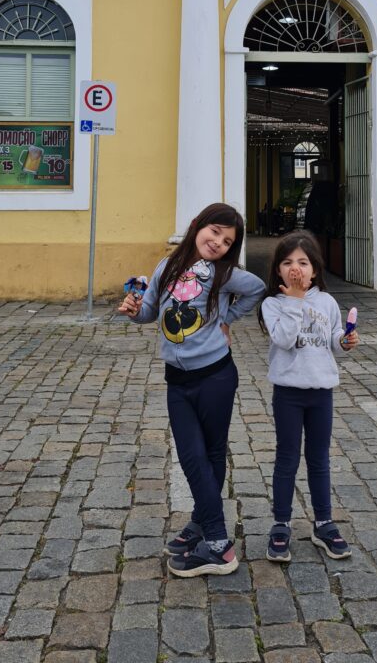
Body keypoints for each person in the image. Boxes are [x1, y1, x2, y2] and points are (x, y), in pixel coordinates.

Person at [118, 203, 265, 577]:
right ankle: (201, 526)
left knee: (208, 454)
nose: (217, 242)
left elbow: (257, 289)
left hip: (216, 376)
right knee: (192, 454)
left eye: (227, 240)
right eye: (214, 232)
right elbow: (150, 310)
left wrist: (226, 319)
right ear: (198, 226)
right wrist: (134, 311)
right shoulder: (165, 267)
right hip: (177, 380)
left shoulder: (223, 273)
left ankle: (218, 545)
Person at [260, 230, 359, 563]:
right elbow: (285, 339)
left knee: (319, 459)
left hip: (321, 392)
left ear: (315, 269)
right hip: (288, 391)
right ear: (278, 270)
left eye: (303, 262)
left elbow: (332, 338)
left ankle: (324, 522)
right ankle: (281, 522)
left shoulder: (327, 302)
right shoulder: (273, 304)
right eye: (287, 262)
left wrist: (344, 341)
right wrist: (294, 302)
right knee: (287, 457)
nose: (295, 268)